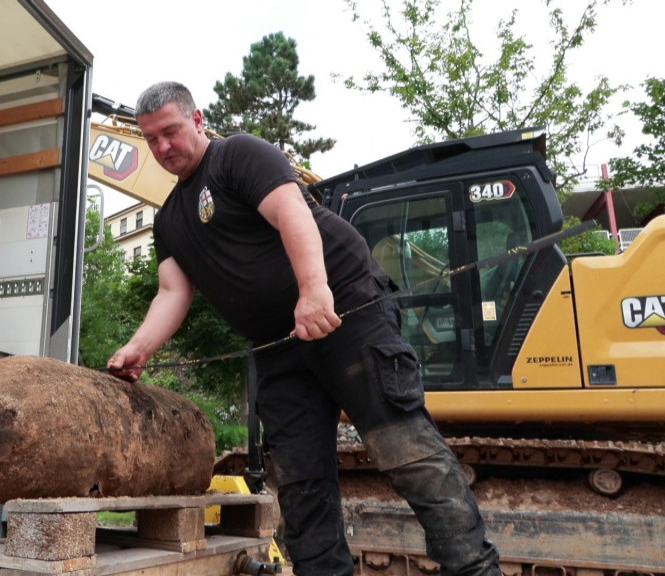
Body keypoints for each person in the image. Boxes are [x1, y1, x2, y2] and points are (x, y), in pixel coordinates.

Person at [106, 81, 501, 576]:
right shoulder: (169, 221)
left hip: (346, 312)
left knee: (406, 453)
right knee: (299, 481)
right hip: (277, 345)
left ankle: (474, 571)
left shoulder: (239, 156)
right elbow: (172, 293)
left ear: (198, 120)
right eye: (152, 140)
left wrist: (314, 291)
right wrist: (137, 347)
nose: (163, 147)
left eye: (171, 131)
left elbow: (292, 210)